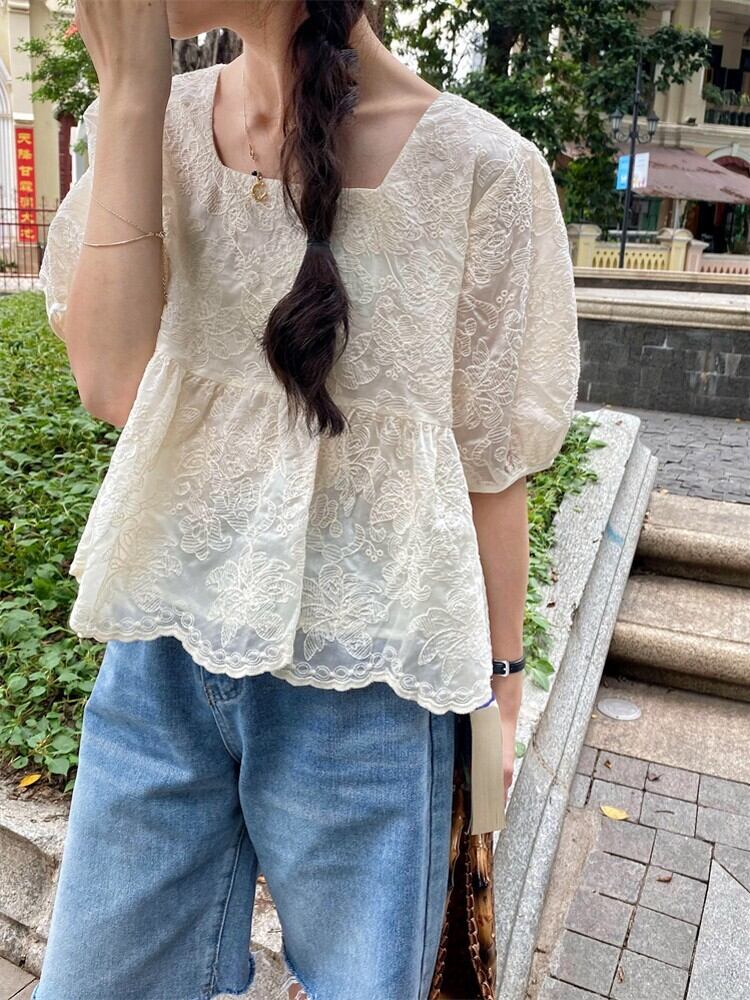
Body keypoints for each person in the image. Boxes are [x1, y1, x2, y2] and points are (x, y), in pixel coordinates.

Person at [32, 2, 580, 999]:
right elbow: (112, 384)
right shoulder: (159, 123)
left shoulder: (481, 169)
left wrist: (497, 710)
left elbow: (493, 465)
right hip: (160, 658)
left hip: (374, 689)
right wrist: (131, 97)